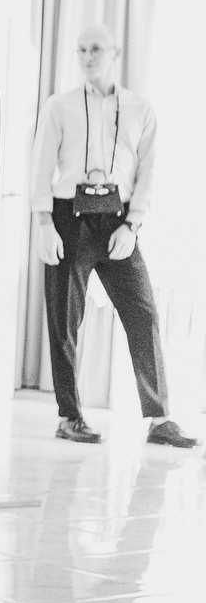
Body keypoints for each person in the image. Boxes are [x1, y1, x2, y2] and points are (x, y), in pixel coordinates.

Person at [31, 23, 194, 449]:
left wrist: (133, 224)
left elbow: (149, 170)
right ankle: (69, 416)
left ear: (115, 53)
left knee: (143, 314)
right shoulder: (59, 106)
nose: (88, 57)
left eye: (97, 49)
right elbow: (41, 166)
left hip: (118, 221)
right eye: (82, 50)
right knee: (64, 321)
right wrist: (44, 223)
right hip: (69, 218)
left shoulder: (140, 109)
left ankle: (159, 418)